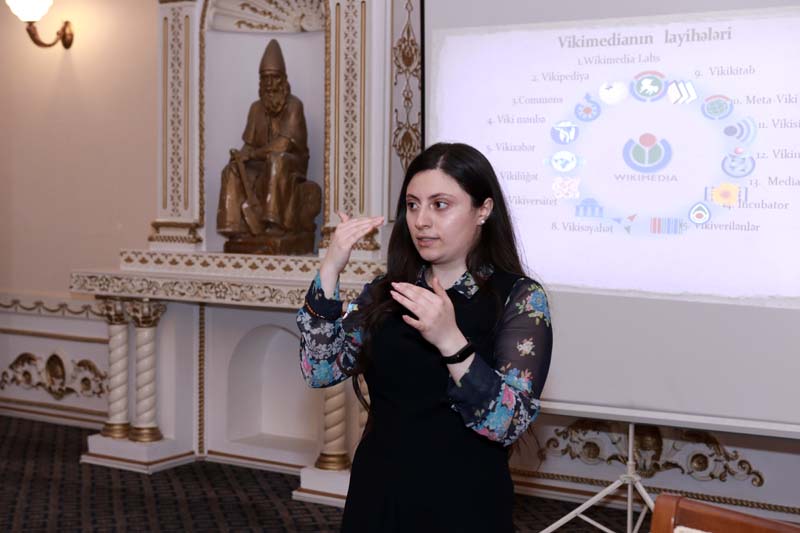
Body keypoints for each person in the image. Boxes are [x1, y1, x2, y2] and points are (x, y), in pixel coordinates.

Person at [296, 142, 553, 532]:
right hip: (378, 493)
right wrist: (330, 268)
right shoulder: (387, 291)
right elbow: (320, 370)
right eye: (413, 205)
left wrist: (450, 340)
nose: (421, 221)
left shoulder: (519, 297)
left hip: (465, 501)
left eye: (440, 205)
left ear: (483, 210)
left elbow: (508, 424)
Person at [217, 38, 310, 238]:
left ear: (283, 79)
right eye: (265, 78)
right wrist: (240, 157)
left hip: (291, 163)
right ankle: (232, 225)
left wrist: (252, 155)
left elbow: (283, 145)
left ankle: (273, 222)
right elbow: (248, 145)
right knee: (232, 169)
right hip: (261, 161)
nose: (269, 83)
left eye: (274, 77)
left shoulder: (294, 105)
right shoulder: (255, 108)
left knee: (276, 160)